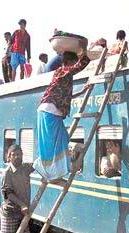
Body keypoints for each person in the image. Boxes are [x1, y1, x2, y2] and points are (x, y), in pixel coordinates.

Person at [33, 48, 90, 181]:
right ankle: (49, 173)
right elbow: (79, 66)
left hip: (50, 111)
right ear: (69, 62)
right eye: (73, 62)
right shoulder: (62, 71)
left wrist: (81, 92)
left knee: (63, 139)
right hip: (50, 111)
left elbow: (64, 96)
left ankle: (54, 173)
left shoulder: (63, 76)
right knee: (52, 144)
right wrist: (85, 55)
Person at [0, 145, 35, 233]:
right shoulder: (7, 172)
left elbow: (38, 164)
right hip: (10, 211)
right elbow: (8, 193)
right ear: (8, 156)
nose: (17, 157)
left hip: (23, 211)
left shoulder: (25, 168)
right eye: (14, 154)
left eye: (19, 154)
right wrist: (21, 205)